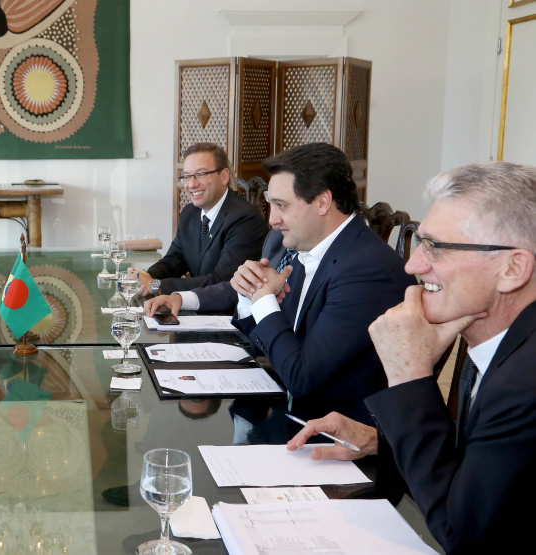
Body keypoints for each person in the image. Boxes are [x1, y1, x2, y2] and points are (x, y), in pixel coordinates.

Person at [288, 162, 536, 552]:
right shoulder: (495, 340)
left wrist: (408, 376)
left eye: (436, 247)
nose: (413, 264)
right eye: (421, 242)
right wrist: (381, 441)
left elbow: (463, 535)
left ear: (513, 268)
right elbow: (484, 470)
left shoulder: (524, 382)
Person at [146, 143, 415, 424]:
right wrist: (249, 295)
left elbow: (301, 378)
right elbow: (270, 346)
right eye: (270, 204)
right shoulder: (305, 245)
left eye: (281, 206)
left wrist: (263, 300)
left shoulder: (366, 270)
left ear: (323, 202)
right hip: (285, 409)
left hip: (331, 429)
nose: (272, 220)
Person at [131, 143, 267, 295]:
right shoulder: (189, 213)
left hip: (227, 307)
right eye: (187, 176)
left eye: (201, 174)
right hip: (195, 304)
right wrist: (146, 277)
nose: (192, 184)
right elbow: (174, 260)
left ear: (224, 176)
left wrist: (156, 285)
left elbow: (222, 282)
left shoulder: (245, 219)